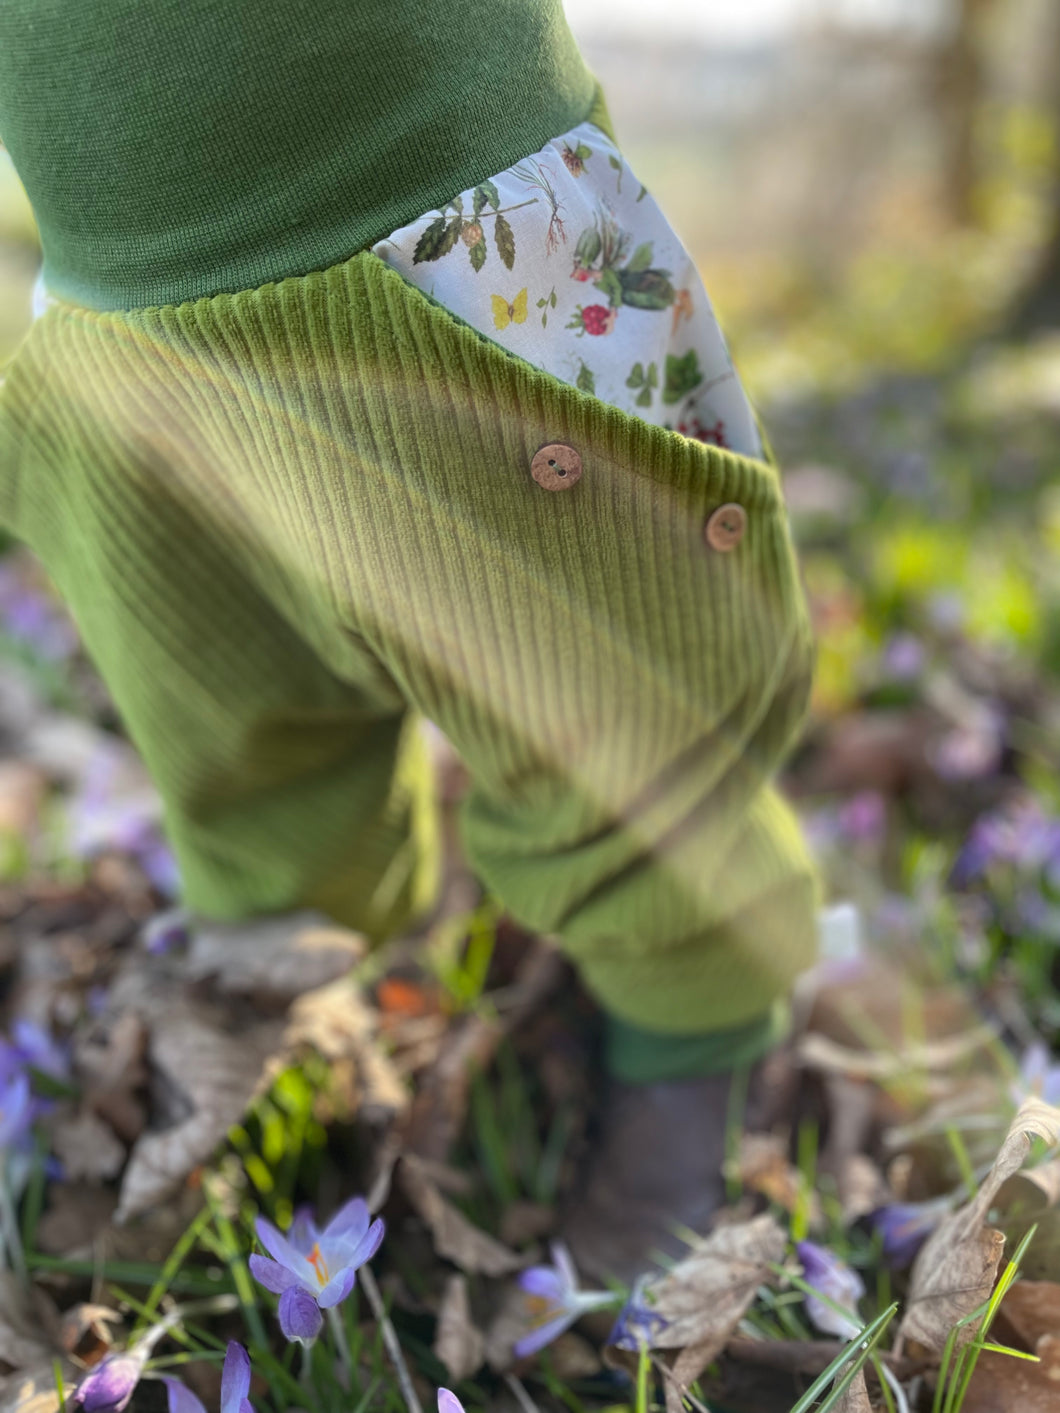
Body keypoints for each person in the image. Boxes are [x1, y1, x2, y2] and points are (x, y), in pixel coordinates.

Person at [0, 0, 822, 1281]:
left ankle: (689, 1037)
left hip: (455, 227)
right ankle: (296, 998)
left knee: (609, 693)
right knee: (233, 728)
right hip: (113, 298)